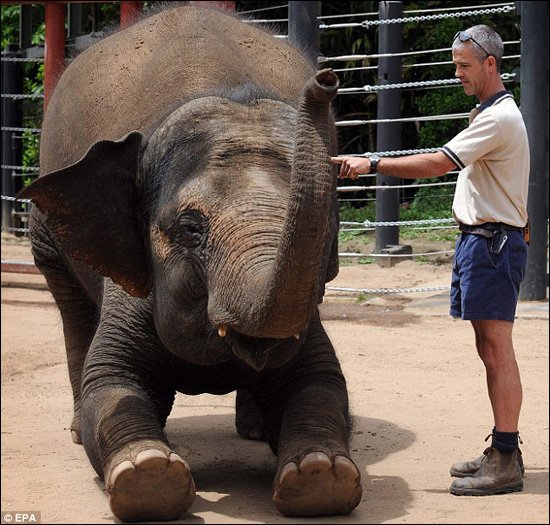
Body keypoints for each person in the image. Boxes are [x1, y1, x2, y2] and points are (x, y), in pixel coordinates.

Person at [332, 24, 529, 497]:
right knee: (488, 346)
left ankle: (507, 458)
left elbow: (439, 163)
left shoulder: (498, 118)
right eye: (455, 64)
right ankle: (503, 449)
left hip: (492, 244)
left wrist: (372, 163)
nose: (457, 73)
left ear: (490, 64)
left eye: (464, 65)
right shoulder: (488, 111)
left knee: (497, 349)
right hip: (482, 240)